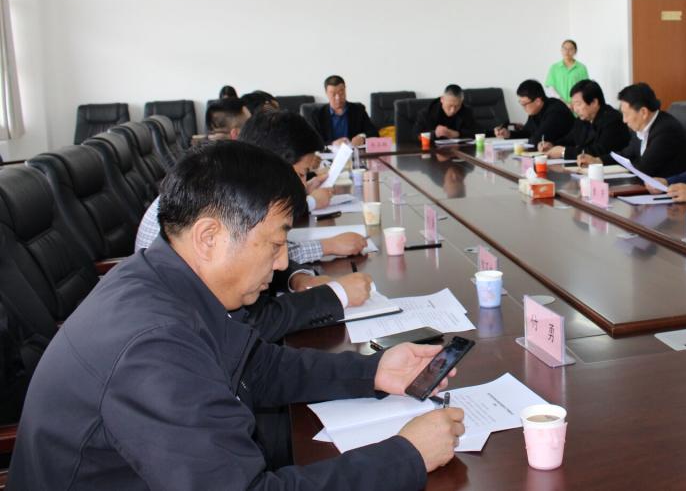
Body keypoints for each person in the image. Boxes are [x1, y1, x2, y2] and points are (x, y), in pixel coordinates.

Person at [9, 142, 464, 490]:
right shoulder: (153, 347)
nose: (283, 263)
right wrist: (407, 456)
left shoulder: (159, 278)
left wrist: (374, 372)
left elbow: (256, 366)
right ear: (209, 237)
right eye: (275, 244)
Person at [135, 110, 372, 343]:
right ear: (273, 167)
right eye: (301, 174)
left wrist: (296, 277)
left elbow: (262, 251)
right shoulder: (209, 211)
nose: (303, 184)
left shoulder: (220, 190)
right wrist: (335, 296)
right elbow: (248, 323)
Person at [596, 83, 686, 177]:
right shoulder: (642, 126)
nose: (624, 120)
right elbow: (626, 154)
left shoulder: (666, 131)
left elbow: (643, 169)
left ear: (643, 112)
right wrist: (598, 160)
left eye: (626, 114)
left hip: (673, 187)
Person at [538, 79, 630, 162]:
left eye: (578, 104)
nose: (575, 109)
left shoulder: (612, 120)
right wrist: (551, 145)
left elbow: (599, 151)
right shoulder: (583, 119)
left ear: (594, 102)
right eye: (573, 104)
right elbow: (570, 139)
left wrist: (564, 152)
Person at [494, 79, 574, 147]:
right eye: (521, 103)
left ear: (538, 101)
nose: (523, 108)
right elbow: (528, 132)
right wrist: (509, 134)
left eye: (524, 104)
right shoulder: (535, 110)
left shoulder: (556, 111)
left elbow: (537, 140)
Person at [313, 75, 379, 147]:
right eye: (333, 94)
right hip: (329, 153)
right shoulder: (318, 115)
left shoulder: (358, 110)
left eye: (341, 93)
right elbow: (313, 141)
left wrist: (362, 137)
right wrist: (332, 143)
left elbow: (374, 133)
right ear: (326, 93)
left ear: (345, 90)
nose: (338, 98)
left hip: (354, 152)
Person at [414, 84, 478, 140]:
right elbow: (415, 136)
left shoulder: (466, 111)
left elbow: (478, 132)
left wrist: (458, 134)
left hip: (459, 148)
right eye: (449, 106)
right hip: (434, 148)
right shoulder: (426, 113)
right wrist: (434, 134)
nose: (452, 110)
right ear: (442, 99)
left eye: (457, 106)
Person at [544, 39, 589, 104]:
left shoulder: (581, 68)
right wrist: (563, 102)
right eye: (565, 49)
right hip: (558, 103)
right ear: (561, 50)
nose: (567, 51)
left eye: (570, 49)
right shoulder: (554, 68)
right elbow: (551, 88)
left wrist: (574, 102)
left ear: (575, 51)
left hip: (576, 104)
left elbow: (584, 88)